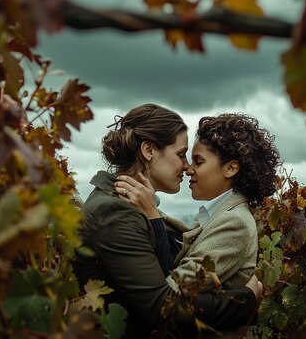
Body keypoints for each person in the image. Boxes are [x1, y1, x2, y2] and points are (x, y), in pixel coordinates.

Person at [73, 104, 262, 338]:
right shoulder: (114, 212)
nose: (186, 166)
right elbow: (162, 306)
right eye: (182, 155)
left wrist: (154, 216)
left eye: (195, 160)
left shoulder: (128, 207)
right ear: (149, 150)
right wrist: (245, 300)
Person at [119, 113, 280, 290]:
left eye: (198, 161)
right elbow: (185, 236)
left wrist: (152, 215)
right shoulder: (221, 215)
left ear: (230, 169)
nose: (188, 169)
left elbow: (177, 290)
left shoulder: (235, 223)